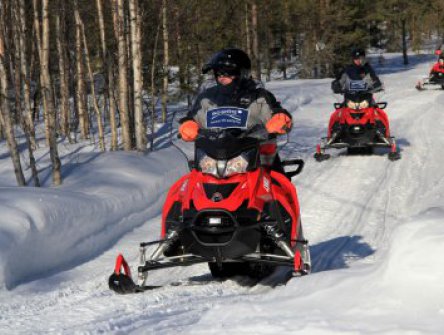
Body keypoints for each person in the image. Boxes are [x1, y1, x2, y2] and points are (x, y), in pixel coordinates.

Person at [178, 48, 292, 175]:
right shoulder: (207, 98)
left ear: (242, 74)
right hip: (213, 160)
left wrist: (280, 118)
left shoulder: (258, 97)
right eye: (218, 74)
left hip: (256, 161)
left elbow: (275, 111)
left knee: (278, 182)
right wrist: (188, 124)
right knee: (187, 188)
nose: (221, 78)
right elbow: (194, 117)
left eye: (227, 74)